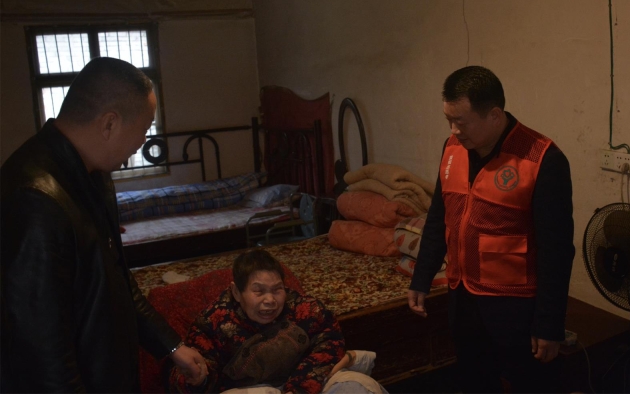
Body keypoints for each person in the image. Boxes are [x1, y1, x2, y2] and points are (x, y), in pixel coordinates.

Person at [1, 57, 207, 392]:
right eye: (144, 129)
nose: (143, 141)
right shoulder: (36, 200)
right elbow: (44, 354)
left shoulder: (93, 174)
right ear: (109, 123)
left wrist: (170, 345)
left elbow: (115, 279)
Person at [407, 66, 575, 393]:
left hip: (516, 308)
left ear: (495, 115)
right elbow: (439, 217)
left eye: (461, 121)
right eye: (448, 120)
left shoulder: (542, 159)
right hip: (463, 300)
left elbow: (556, 251)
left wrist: (549, 324)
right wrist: (422, 277)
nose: (454, 130)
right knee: (474, 383)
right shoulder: (452, 149)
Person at [169, 248, 386, 394]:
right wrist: (198, 379)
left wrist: (298, 389)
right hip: (248, 390)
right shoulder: (213, 322)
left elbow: (329, 345)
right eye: (259, 291)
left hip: (304, 382)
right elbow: (195, 373)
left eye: (277, 289)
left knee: (356, 388)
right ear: (236, 292)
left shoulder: (306, 310)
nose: (270, 300)